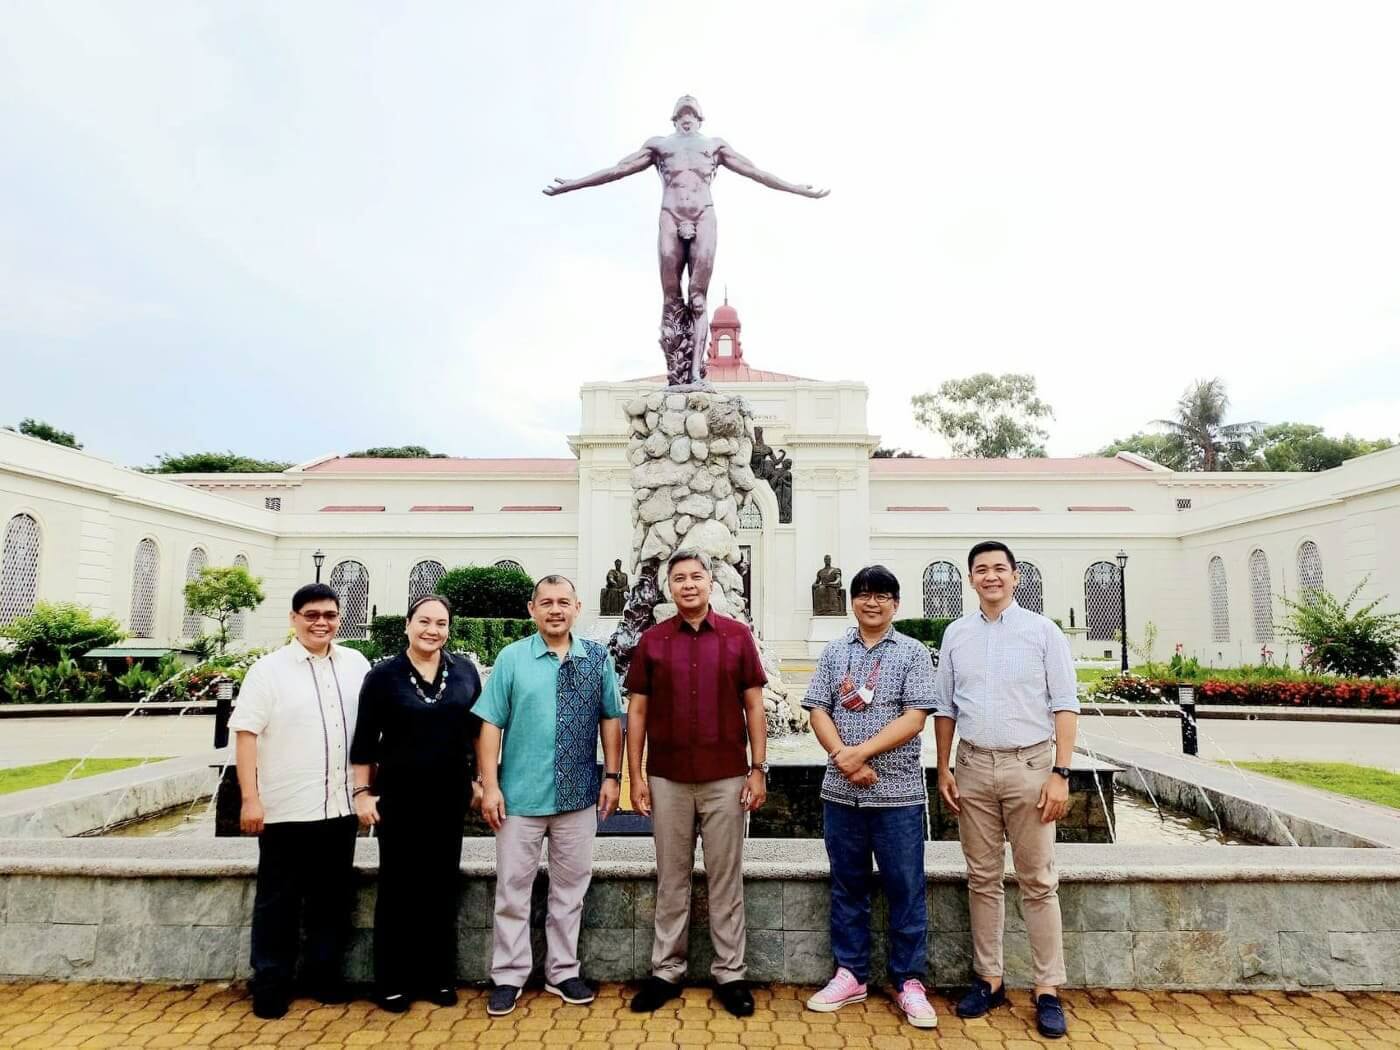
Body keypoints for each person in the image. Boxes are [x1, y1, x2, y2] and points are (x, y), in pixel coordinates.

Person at [543, 96, 828, 383]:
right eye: (683, 113)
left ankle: (694, 374)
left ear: (700, 119)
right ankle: (676, 373)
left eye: (692, 113)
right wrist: (572, 185)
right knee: (671, 296)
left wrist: (795, 188)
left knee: (698, 297)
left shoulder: (714, 146)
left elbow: (755, 171)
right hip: (671, 214)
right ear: (675, 119)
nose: (687, 117)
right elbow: (618, 169)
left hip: (703, 215)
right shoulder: (660, 146)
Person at [933, 541, 1079, 1040]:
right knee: (982, 877)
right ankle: (990, 980)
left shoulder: (1042, 632)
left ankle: (1046, 989)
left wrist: (1061, 772)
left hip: (1031, 767)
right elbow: (946, 708)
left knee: (1038, 880)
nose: (991, 576)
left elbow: (1065, 704)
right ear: (970, 579)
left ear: (1015, 577)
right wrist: (944, 768)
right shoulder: (957, 634)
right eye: (981, 570)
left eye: (999, 569)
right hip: (973, 767)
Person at [625, 549, 769, 1018]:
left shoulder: (737, 636)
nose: (688, 585)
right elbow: (638, 711)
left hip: (726, 776)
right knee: (672, 877)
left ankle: (731, 973)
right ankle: (666, 970)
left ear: (711, 582)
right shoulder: (652, 640)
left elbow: (753, 707)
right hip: (667, 777)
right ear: (669, 586)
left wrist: (759, 768)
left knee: (726, 878)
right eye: (679, 578)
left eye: (696, 577)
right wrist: (636, 776)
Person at [472, 575, 624, 1017]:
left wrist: (612, 776)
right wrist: (490, 785)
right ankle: (508, 975)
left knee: (570, 892)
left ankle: (562, 971)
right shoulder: (512, 658)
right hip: (519, 798)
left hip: (578, 798)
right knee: (512, 890)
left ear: (578, 607)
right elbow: (490, 725)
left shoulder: (596, 658)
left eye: (563, 602)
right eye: (546, 603)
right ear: (531, 609)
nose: (555, 610)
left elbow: (611, 719)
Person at [801, 565, 939, 1029]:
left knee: (905, 887)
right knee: (847, 886)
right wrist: (843, 756)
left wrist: (860, 753)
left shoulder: (914, 653)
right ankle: (851, 973)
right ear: (852, 602)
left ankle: (909, 981)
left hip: (896, 792)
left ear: (895, 603)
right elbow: (818, 707)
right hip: (841, 793)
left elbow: (916, 717)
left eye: (881, 595)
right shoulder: (835, 651)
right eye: (863, 595)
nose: (871, 602)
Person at [229, 582, 372, 1019]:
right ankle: (271, 982)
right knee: (279, 900)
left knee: (331, 899)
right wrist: (250, 799)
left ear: (339, 619)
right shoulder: (268, 671)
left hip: (339, 806)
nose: (321, 623)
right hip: (286, 808)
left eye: (329, 615)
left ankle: (323, 977)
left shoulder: (356, 664)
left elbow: (369, 732)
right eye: (311, 615)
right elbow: (246, 735)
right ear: (294, 619)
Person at [350, 594, 482, 1012]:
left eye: (441, 623)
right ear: (408, 624)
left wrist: (480, 780)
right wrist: (362, 793)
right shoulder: (383, 676)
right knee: (398, 889)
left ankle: (437, 978)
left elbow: (477, 730)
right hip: (400, 797)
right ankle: (392, 980)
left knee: (442, 887)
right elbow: (366, 739)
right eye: (424, 621)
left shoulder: (464, 671)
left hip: (449, 796)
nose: (432, 630)